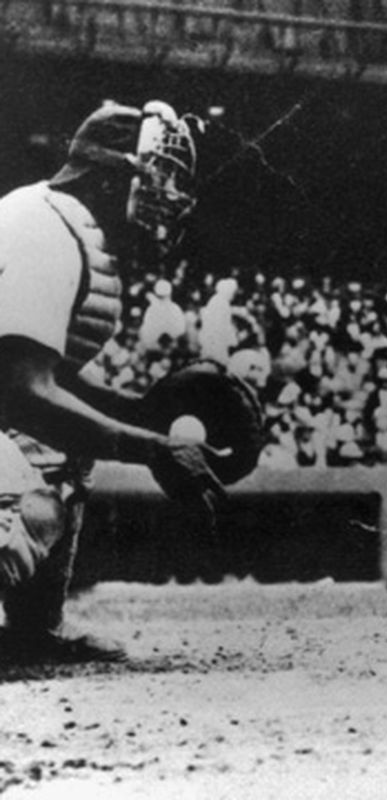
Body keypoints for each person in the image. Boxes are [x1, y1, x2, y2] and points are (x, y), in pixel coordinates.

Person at [0, 100, 227, 664]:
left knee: (64, 452)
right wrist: (150, 448)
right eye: (159, 176)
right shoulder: (38, 226)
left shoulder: (69, 227)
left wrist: (147, 411)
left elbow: (55, 382)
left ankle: (34, 628)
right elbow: (21, 392)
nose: (169, 194)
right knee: (30, 485)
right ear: (111, 172)